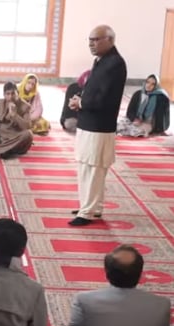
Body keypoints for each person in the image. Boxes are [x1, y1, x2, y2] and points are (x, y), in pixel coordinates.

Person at [68, 25, 127, 226]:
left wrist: (81, 103)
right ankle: (91, 206)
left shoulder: (115, 63)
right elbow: (93, 90)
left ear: (110, 40)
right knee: (85, 165)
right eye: (90, 40)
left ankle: (88, 211)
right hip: (88, 122)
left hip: (100, 126)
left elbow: (106, 98)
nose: (91, 43)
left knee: (94, 168)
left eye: (96, 39)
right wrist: (80, 100)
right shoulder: (101, 61)